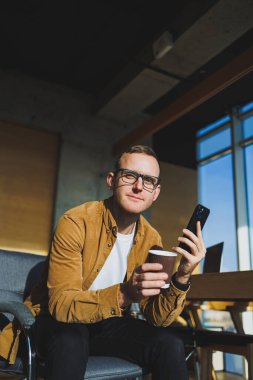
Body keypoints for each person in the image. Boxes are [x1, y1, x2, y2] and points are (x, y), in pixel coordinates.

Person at [0, 145, 206, 380]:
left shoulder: (152, 239)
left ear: (155, 193)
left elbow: (158, 318)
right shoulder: (76, 222)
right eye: (130, 176)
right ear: (111, 180)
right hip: (52, 321)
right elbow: (61, 306)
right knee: (72, 340)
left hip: (104, 325)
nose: (139, 186)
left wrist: (182, 276)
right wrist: (125, 294)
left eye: (148, 181)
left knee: (170, 343)